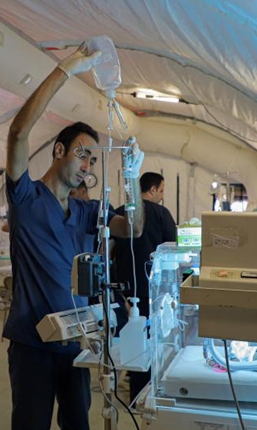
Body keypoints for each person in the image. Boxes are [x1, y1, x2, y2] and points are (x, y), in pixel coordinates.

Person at [4, 42, 145, 430]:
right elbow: (18, 133)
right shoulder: (27, 198)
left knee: (77, 424)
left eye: (93, 159)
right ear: (60, 151)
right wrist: (66, 69)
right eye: (82, 154)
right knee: (31, 423)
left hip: (76, 343)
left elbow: (132, 227)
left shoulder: (85, 212)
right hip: (33, 344)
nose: (88, 165)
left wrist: (131, 176)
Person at [113, 172, 177, 402]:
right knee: (155, 346)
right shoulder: (162, 215)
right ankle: (149, 397)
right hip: (154, 292)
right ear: (151, 190)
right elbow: (173, 252)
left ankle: (134, 397)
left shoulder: (120, 212)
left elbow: (109, 252)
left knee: (132, 347)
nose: (161, 196)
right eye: (161, 191)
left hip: (123, 293)